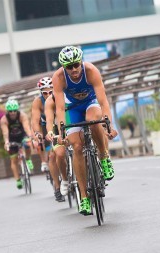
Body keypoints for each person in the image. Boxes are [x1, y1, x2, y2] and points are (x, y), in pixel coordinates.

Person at [52, 45, 118, 215]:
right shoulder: (59, 77)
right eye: (69, 67)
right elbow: (59, 108)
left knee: (93, 120)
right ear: (64, 68)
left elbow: (103, 102)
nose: (74, 69)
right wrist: (60, 133)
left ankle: (103, 157)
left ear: (81, 62)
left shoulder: (91, 71)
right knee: (78, 147)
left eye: (76, 64)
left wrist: (108, 125)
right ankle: (84, 197)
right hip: (72, 109)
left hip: (91, 103)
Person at [31, 77, 67, 202]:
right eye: (44, 93)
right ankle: (57, 187)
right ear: (41, 92)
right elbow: (35, 121)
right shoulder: (38, 102)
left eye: (50, 92)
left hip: (61, 123)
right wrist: (37, 134)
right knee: (52, 156)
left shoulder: (60, 96)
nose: (48, 95)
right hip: (47, 127)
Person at [0, 99, 34, 190]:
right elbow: (5, 133)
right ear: (8, 111)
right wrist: (7, 142)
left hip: (22, 135)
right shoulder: (4, 120)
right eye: (10, 111)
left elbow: (27, 128)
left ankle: (28, 159)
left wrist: (30, 137)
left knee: (27, 144)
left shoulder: (22, 115)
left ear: (17, 110)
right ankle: (18, 180)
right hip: (12, 138)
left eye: (15, 110)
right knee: (14, 160)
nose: (13, 113)